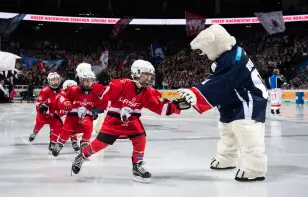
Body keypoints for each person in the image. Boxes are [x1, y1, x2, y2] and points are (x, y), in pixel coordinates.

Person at [70, 60, 190, 183]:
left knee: (140, 137)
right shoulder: (121, 84)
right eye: (145, 74)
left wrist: (177, 106)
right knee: (100, 144)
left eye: (150, 75)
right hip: (114, 120)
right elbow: (102, 94)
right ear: (136, 73)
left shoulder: (148, 92)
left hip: (132, 120)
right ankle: (82, 156)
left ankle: (137, 166)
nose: (148, 77)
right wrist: (100, 84)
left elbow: (161, 107)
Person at [177, 24, 268, 182]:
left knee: (246, 129)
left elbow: (220, 81)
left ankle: (254, 168)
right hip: (233, 98)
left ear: (214, 44)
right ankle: (227, 158)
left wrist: (196, 93)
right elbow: (220, 81)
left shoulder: (234, 57)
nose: (204, 55)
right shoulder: (226, 57)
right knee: (226, 128)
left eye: (205, 50)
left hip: (249, 97)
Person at [51, 63, 108, 157]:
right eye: (86, 81)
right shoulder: (73, 89)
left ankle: (84, 143)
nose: (89, 83)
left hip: (86, 115)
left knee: (89, 128)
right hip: (72, 115)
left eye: (91, 81)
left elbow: (101, 104)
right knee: (66, 129)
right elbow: (61, 96)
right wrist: (65, 102)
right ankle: (60, 143)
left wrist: (95, 111)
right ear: (81, 81)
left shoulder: (95, 92)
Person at [29, 72, 63, 152]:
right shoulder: (45, 90)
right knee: (38, 125)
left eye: (56, 80)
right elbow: (38, 102)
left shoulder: (61, 91)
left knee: (57, 127)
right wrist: (41, 108)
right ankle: (34, 133)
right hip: (43, 114)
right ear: (49, 81)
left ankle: (52, 143)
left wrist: (60, 111)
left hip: (53, 114)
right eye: (53, 80)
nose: (55, 81)